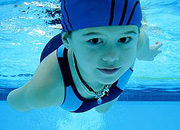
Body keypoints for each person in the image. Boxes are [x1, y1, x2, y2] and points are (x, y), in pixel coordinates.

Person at [7, 0, 162, 113]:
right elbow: (14, 102)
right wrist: (31, 99)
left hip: (102, 87)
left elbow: (142, 43)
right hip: (67, 79)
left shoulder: (138, 42)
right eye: (95, 40)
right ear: (67, 40)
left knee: (102, 109)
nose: (112, 56)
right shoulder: (48, 89)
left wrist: (146, 54)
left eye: (123, 39)